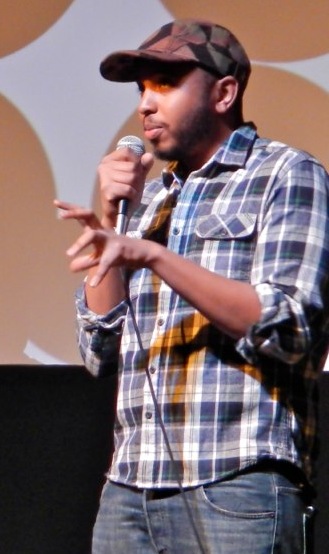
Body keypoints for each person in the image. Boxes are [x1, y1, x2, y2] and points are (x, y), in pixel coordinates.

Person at [55, 18, 329, 554]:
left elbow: (294, 326)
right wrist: (113, 225)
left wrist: (154, 256)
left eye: (165, 83)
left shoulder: (285, 174)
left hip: (237, 482)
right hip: (129, 488)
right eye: (141, 90)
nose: (145, 105)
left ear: (224, 92)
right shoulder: (150, 199)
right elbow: (98, 349)